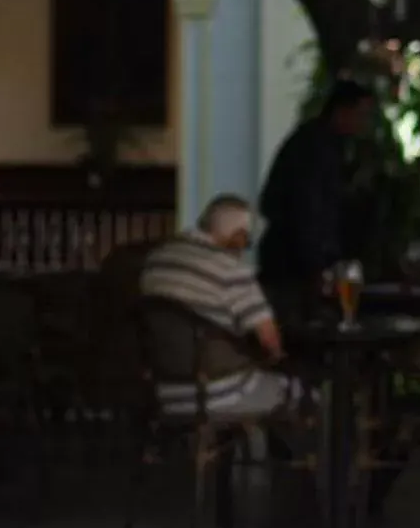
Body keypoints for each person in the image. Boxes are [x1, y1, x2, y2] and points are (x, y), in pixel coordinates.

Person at [138, 195, 298, 418]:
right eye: (247, 241)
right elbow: (270, 341)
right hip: (221, 393)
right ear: (238, 236)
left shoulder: (156, 260)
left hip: (163, 393)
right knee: (300, 393)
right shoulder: (231, 269)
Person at [256, 80, 375, 294]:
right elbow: (305, 208)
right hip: (291, 261)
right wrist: (314, 266)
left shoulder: (330, 146)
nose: (364, 123)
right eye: (361, 114)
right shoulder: (313, 147)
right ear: (342, 111)